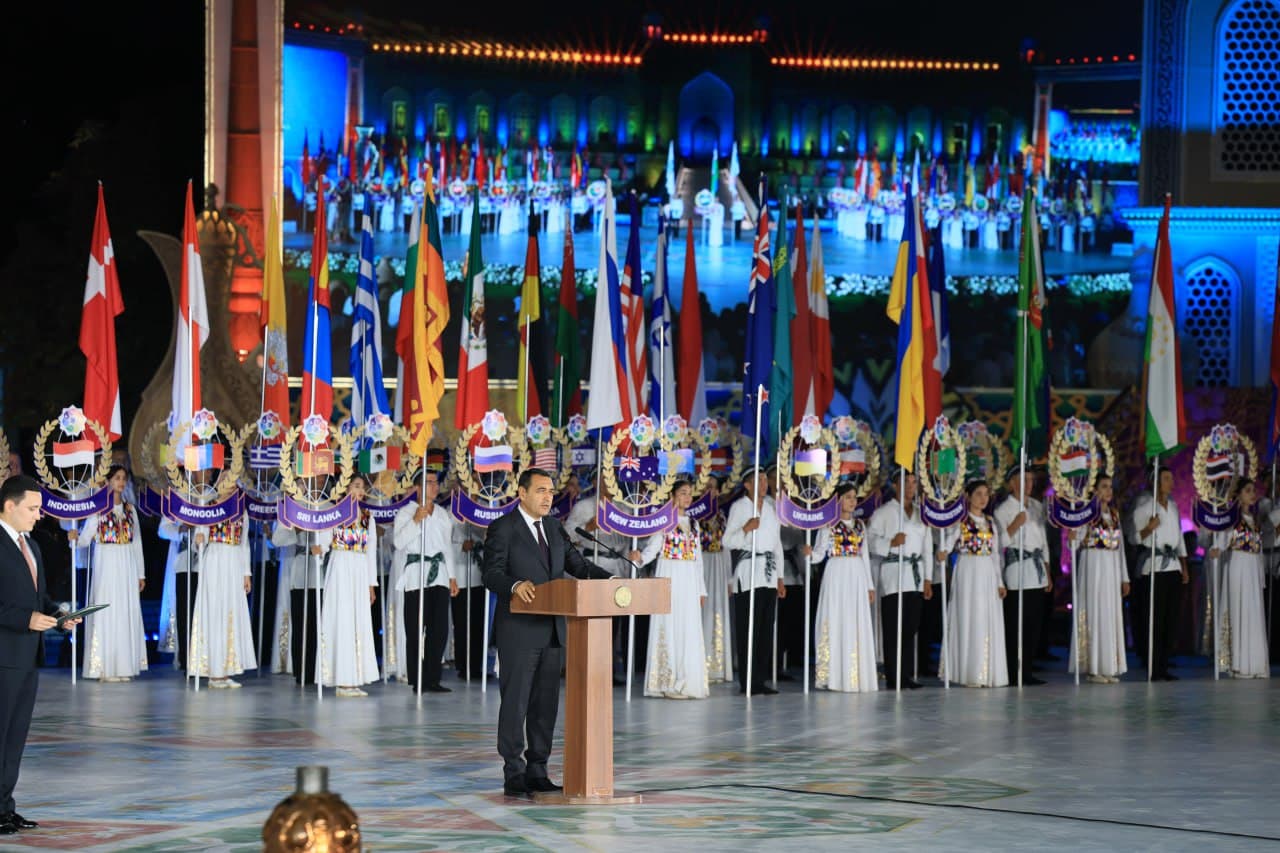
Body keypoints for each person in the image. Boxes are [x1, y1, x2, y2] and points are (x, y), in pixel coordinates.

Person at [482, 468, 612, 798]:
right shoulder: (504, 528)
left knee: (545, 706)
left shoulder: (554, 528)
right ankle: (514, 771)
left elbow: (578, 566)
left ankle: (538, 769)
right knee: (516, 703)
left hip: (553, 630)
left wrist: (611, 582)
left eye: (551, 492)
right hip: (519, 631)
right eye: (540, 490)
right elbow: (491, 572)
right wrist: (514, 584)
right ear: (522, 493)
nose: (547, 497)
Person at [0, 476, 80, 835]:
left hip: (27, 658)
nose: (38, 516)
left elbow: (39, 598)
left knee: (14, 739)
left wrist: (58, 615)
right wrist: (26, 619)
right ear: (9, 506)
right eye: (32, 509)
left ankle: (4, 808)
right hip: (3, 656)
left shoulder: (30, 545)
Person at [631, 480, 708, 699]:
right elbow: (653, 548)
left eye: (689, 494)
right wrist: (640, 559)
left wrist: (701, 589)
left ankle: (686, 680)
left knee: (687, 626)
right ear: (672, 496)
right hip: (669, 574)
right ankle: (667, 680)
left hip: (690, 579)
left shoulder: (694, 524)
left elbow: (698, 558)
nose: (687, 497)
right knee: (669, 623)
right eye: (682, 493)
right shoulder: (664, 521)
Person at [69, 465, 147, 682]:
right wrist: (73, 537)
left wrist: (141, 574)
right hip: (106, 564)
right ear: (108, 481)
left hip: (127, 564)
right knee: (106, 611)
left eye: (124, 478)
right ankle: (104, 667)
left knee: (124, 611)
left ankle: (123, 666)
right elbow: (85, 539)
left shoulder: (130, 510)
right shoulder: (98, 510)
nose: (121, 482)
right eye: (117, 478)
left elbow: (137, 542)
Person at [723, 467, 787, 696]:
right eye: (757, 480)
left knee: (765, 629)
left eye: (764, 480)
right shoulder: (739, 508)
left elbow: (777, 544)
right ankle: (747, 680)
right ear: (747, 485)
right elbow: (727, 540)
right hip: (747, 572)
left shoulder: (770, 509)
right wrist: (745, 529)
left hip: (768, 574)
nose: (763, 484)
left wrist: (780, 577)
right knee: (747, 628)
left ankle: (760, 679)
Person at [868, 471, 934, 689]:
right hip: (893, 574)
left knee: (910, 627)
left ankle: (906, 674)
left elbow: (927, 547)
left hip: (914, 575)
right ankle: (893, 676)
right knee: (893, 628)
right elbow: (869, 541)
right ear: (896, 485)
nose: (911, 487)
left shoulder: (920, 514)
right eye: (906, 483)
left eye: (914, 483)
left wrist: (927, 578)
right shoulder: (883, 513)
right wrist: (890, 543)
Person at [810, 483, 878, 692]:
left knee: (855, 621)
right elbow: (819, 554)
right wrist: (808, 553)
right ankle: (832, 674)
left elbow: (864, 556)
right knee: (836, 618)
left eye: (854, 497)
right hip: (836, 574)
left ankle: (855, 673)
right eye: (848, 497)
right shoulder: (828, 524)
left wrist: (869, 585)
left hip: (856, 575)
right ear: (837, 500)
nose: (852, 501)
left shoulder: (860, 526)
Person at [316, 475, 380, 696]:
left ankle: (355, 677)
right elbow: (323, 542)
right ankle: (341, 679)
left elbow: (371, 552)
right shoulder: (334, 513)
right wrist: (319, 549)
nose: (361, 491)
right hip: (341, 567)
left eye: (362, 487)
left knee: (357, 621)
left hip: (360, 569)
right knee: (341, 619)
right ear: (345, 489)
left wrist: (371, 584)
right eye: (356, 486)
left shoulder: (368, 517)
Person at [394, 469, 457, 693]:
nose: (434, 487)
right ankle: (417, 678)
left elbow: (447, 547)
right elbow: (399, 542)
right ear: (418, 487)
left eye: (436, 482)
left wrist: (452, 576)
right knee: (414, 628)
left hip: (438, 574)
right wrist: (415, 521)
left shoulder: (442, 514)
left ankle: (432, 677)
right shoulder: (406, 512)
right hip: (415, 575)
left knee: (439, 630)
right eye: (429, 482)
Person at [943, 480, 1009, 688]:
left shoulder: (990, 523)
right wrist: (941, 552)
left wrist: (999, 581)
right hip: (967, 572)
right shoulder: (960, 521)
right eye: (978, 494)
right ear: (969, 496)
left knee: (985, 618)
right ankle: (969, 671)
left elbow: (995, 554)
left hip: (987, 574)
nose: (983, 498)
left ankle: (986, 670)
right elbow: (947, 544)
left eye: (986, 494)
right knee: (969, 618)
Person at [1067, 474, 1130, 683]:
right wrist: (1072, 537)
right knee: (1094, 611)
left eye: (1110, 487)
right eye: (1104, 487)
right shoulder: (1087, 514)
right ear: (1094, 491)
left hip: (1111, 567)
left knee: (1109, 614)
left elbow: (1120, 548)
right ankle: (1093, 667)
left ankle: (1108, 666)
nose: (1108, 491)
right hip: (1093, 565)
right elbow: (1073, 544)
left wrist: (1124, 577)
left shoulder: (1114, 515)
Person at [994, 467, 1053, 686]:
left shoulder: (1037, 507)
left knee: (1033, 623)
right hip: (1016, 570)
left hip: (1036, 571)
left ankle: (1027, 668)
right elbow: (998, 543)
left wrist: (1047, 570)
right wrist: (1014, 526)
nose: (1028, 484)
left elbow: (1043, 542)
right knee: (1015, 623)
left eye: (1030, 480)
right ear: (1011, 483)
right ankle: (1012, 670)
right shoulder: (1003, 510)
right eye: (1023, 480)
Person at [1129, 468, 1188, 681]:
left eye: (1171, 478)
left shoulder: (1172, 507)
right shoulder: (1145, 508)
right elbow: (1134, 538)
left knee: (1170, 619)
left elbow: (1179, 538)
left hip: (1172, 568)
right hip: (1154, 568)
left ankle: (1164, 664)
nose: (1170, 482)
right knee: (1155, 618)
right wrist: (1149, 528)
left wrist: (1184, 566)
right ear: (1155, 482)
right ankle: (1152, 665)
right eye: (1166, 478)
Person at [1208, 479, 1269, 678]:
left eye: (1254, 490)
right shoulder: (1232, 519)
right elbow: (1221, 541)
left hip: (1252, 568)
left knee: (1253, 612)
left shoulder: (1255, 520)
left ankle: (1254, 663)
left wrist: (1261, 576)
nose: (1252, 494)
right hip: (1237, 566)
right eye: (1248, 491)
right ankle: (1237, 662)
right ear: (1239, 495)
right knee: (1238, 609)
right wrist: (1215, 549)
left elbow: (1259, 550)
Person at [190, 511, 256, 688]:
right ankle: (214, 673)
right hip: (215, 561)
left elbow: (244, 544)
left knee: (230, 612)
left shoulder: (241, 512)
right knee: (215, 612)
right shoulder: (210, 507)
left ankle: (225, 670)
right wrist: (198, 541)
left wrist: (246, 573)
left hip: (234, 561)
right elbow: (198, 539)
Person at [699, 477, 733, 684]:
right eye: (705, 487)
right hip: (701, 563)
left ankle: (716, 666)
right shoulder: (694, 516)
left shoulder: (721, 516)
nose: (708, 491)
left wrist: (730, 578)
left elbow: (727, 546)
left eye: (712, 488)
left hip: (718, 564)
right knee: (701, 611)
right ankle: (699, 662)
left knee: (716, 610)